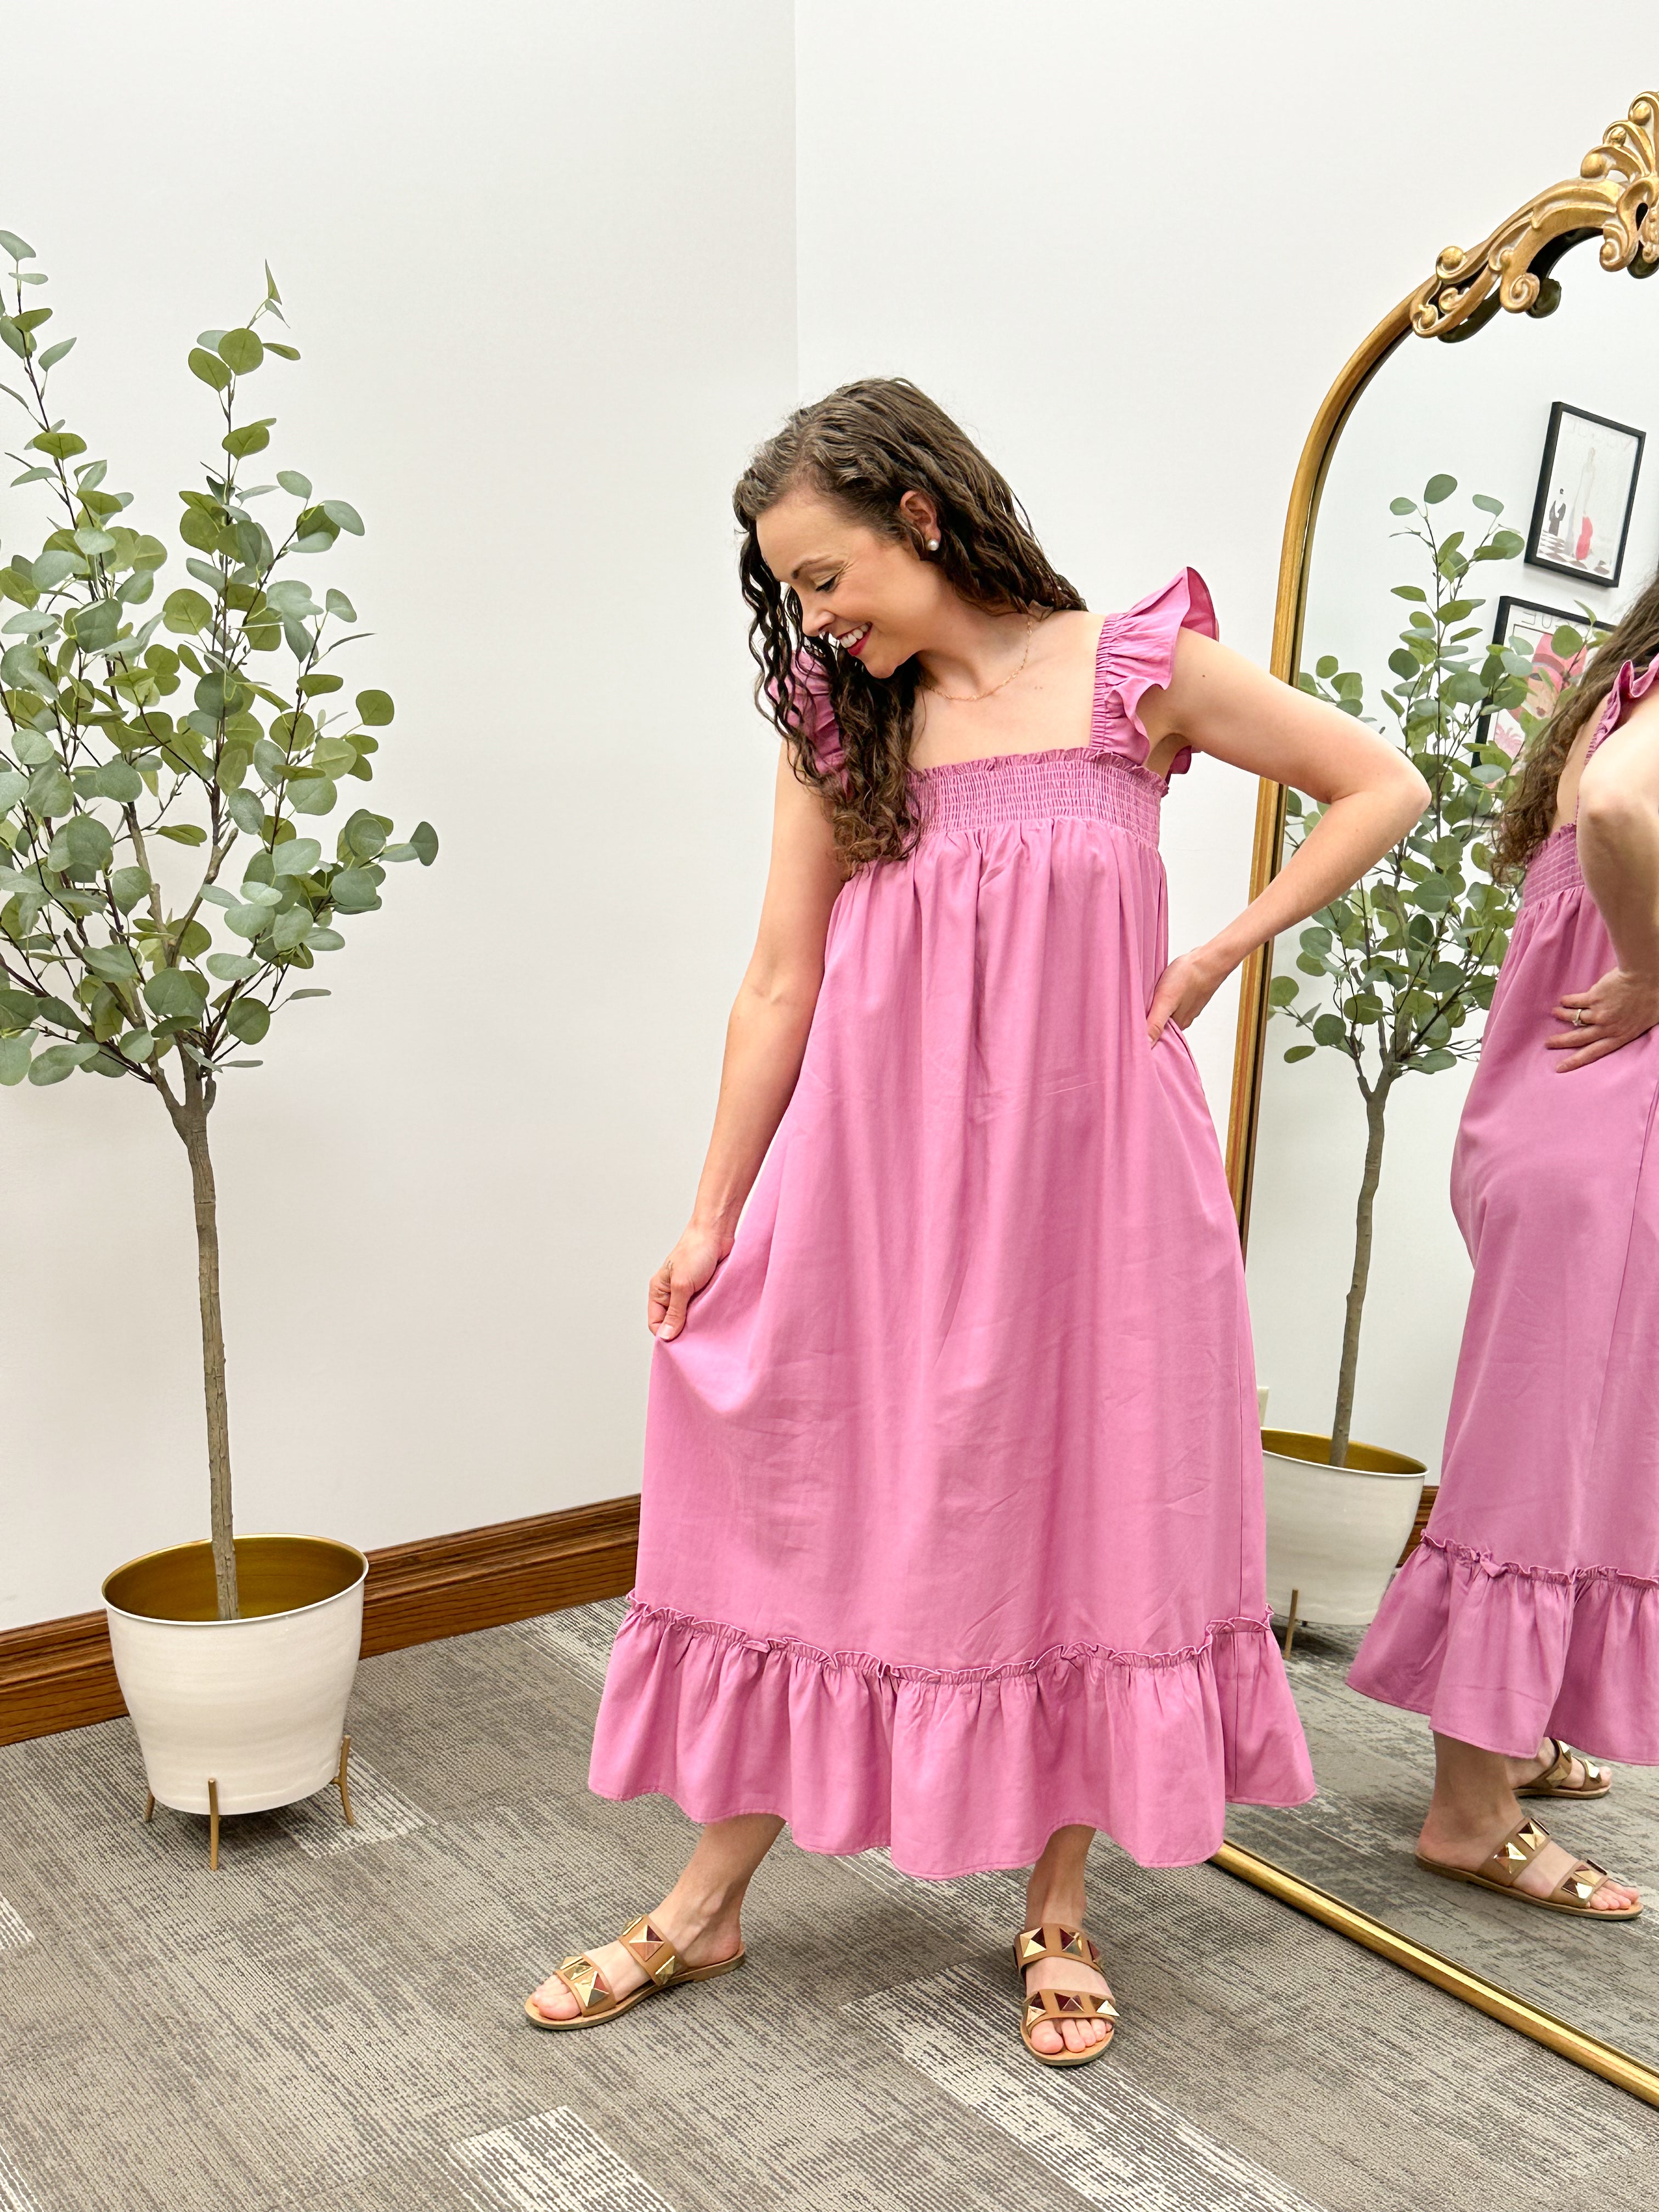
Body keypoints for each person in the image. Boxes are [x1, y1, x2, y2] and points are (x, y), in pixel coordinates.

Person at [527, 380, 1427, 2063]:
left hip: (1098, 1194)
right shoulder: (838, 722)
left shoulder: (1139, 672)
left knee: (1087, 1514)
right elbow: (779, 978)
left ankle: (1058, 1904)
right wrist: (712, 1216)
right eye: (791, 593)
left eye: (824, 575)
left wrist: (1222, 948)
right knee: (826, 1502)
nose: (815, 617)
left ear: (919, 515)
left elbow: (1381, 786)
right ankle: (707, 1898)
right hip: (880, 1190)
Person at [1349, 574, 1659, 1922]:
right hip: (1604, 1146)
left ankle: (1508, 1741)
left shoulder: (1617, 691)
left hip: (1549, 1135)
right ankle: (1470, 1812)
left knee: (1561, 1448)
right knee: (1540, 1466)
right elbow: (1622, 810)